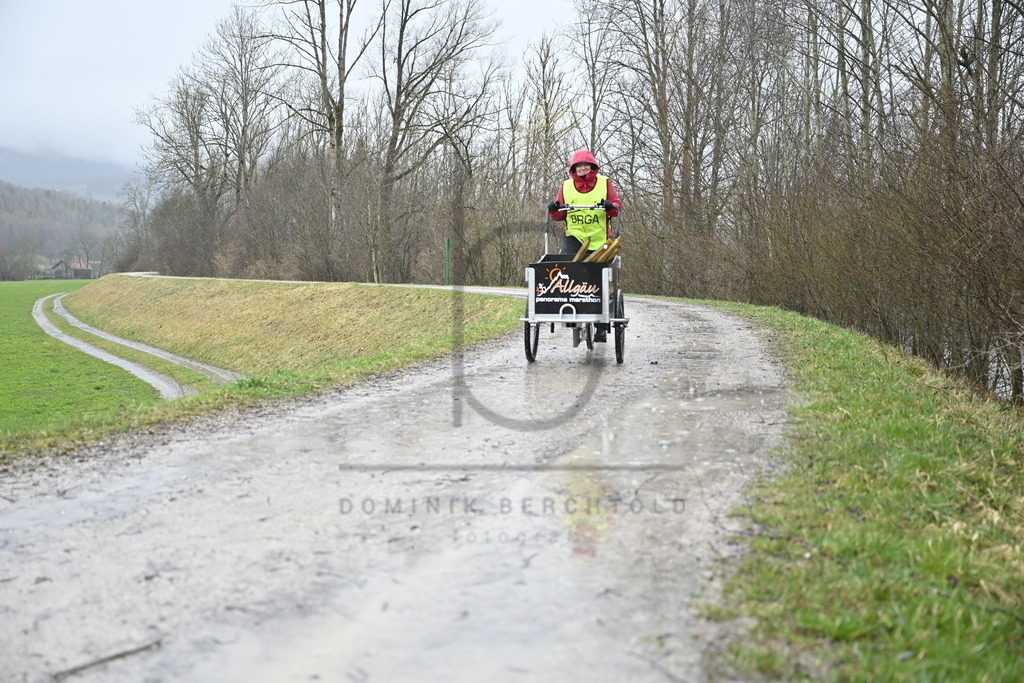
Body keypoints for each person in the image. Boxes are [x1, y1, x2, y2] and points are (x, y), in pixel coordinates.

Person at [547, 150, 623, 342]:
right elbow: (558, 215)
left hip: (599, 237)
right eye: (578, 166)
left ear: (592, 167)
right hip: (574, 235)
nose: (582, 168)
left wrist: (610, 207)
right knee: (568, 270)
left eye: (585, 165)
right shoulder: (566, 186)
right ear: (573, 169)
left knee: (600, 278)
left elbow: (617, 207)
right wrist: (554, 210)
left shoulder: (605, 183)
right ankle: (571, 311)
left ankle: (601, 327)